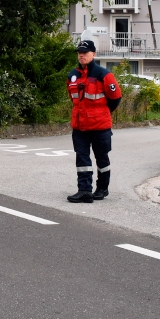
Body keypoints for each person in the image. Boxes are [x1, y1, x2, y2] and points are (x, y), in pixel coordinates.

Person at [66, 39, 122, 203]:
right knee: (82, 159)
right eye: (80, 53)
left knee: (102, 158)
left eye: (85, 52)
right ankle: (84, 190)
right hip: (80, 126)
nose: (82, 55)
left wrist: (102, 113)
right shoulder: (73, 76)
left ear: (93, 54)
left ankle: (102, 188)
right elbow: (74, 99)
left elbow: (115, 98)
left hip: (100, 125)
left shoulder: (103, 74)